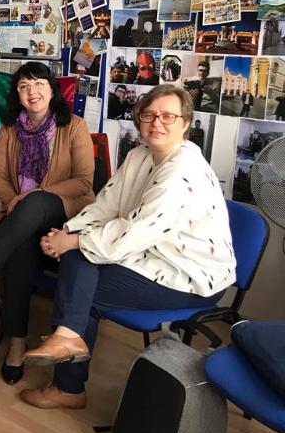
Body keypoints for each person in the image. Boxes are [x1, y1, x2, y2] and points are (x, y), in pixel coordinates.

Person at [19, 85, 234, 409]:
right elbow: (106, 205)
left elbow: (136, 232)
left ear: (185, 123)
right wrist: (68, 231)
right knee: (77, 262)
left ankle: (68, 382)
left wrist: (72, 241)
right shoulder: (139, 155)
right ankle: (68, 340)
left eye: (167, 116)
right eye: (149, 115)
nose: (156, 122)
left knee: (82, 290)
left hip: (189, 275)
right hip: (151, 256)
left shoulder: (184, 170)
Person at [0, 62, 95, 386]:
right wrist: (17, 203)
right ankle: (16, 343)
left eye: (39, 84)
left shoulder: (74, 126)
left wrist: (33, 197)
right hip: (20, 220)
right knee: (19, 249)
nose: (32, 91)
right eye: (24, 86)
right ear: (17, 95)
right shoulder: (10, 129)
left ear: (52, 90)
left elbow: (83, 182)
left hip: (63, 215)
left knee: (36, 202)